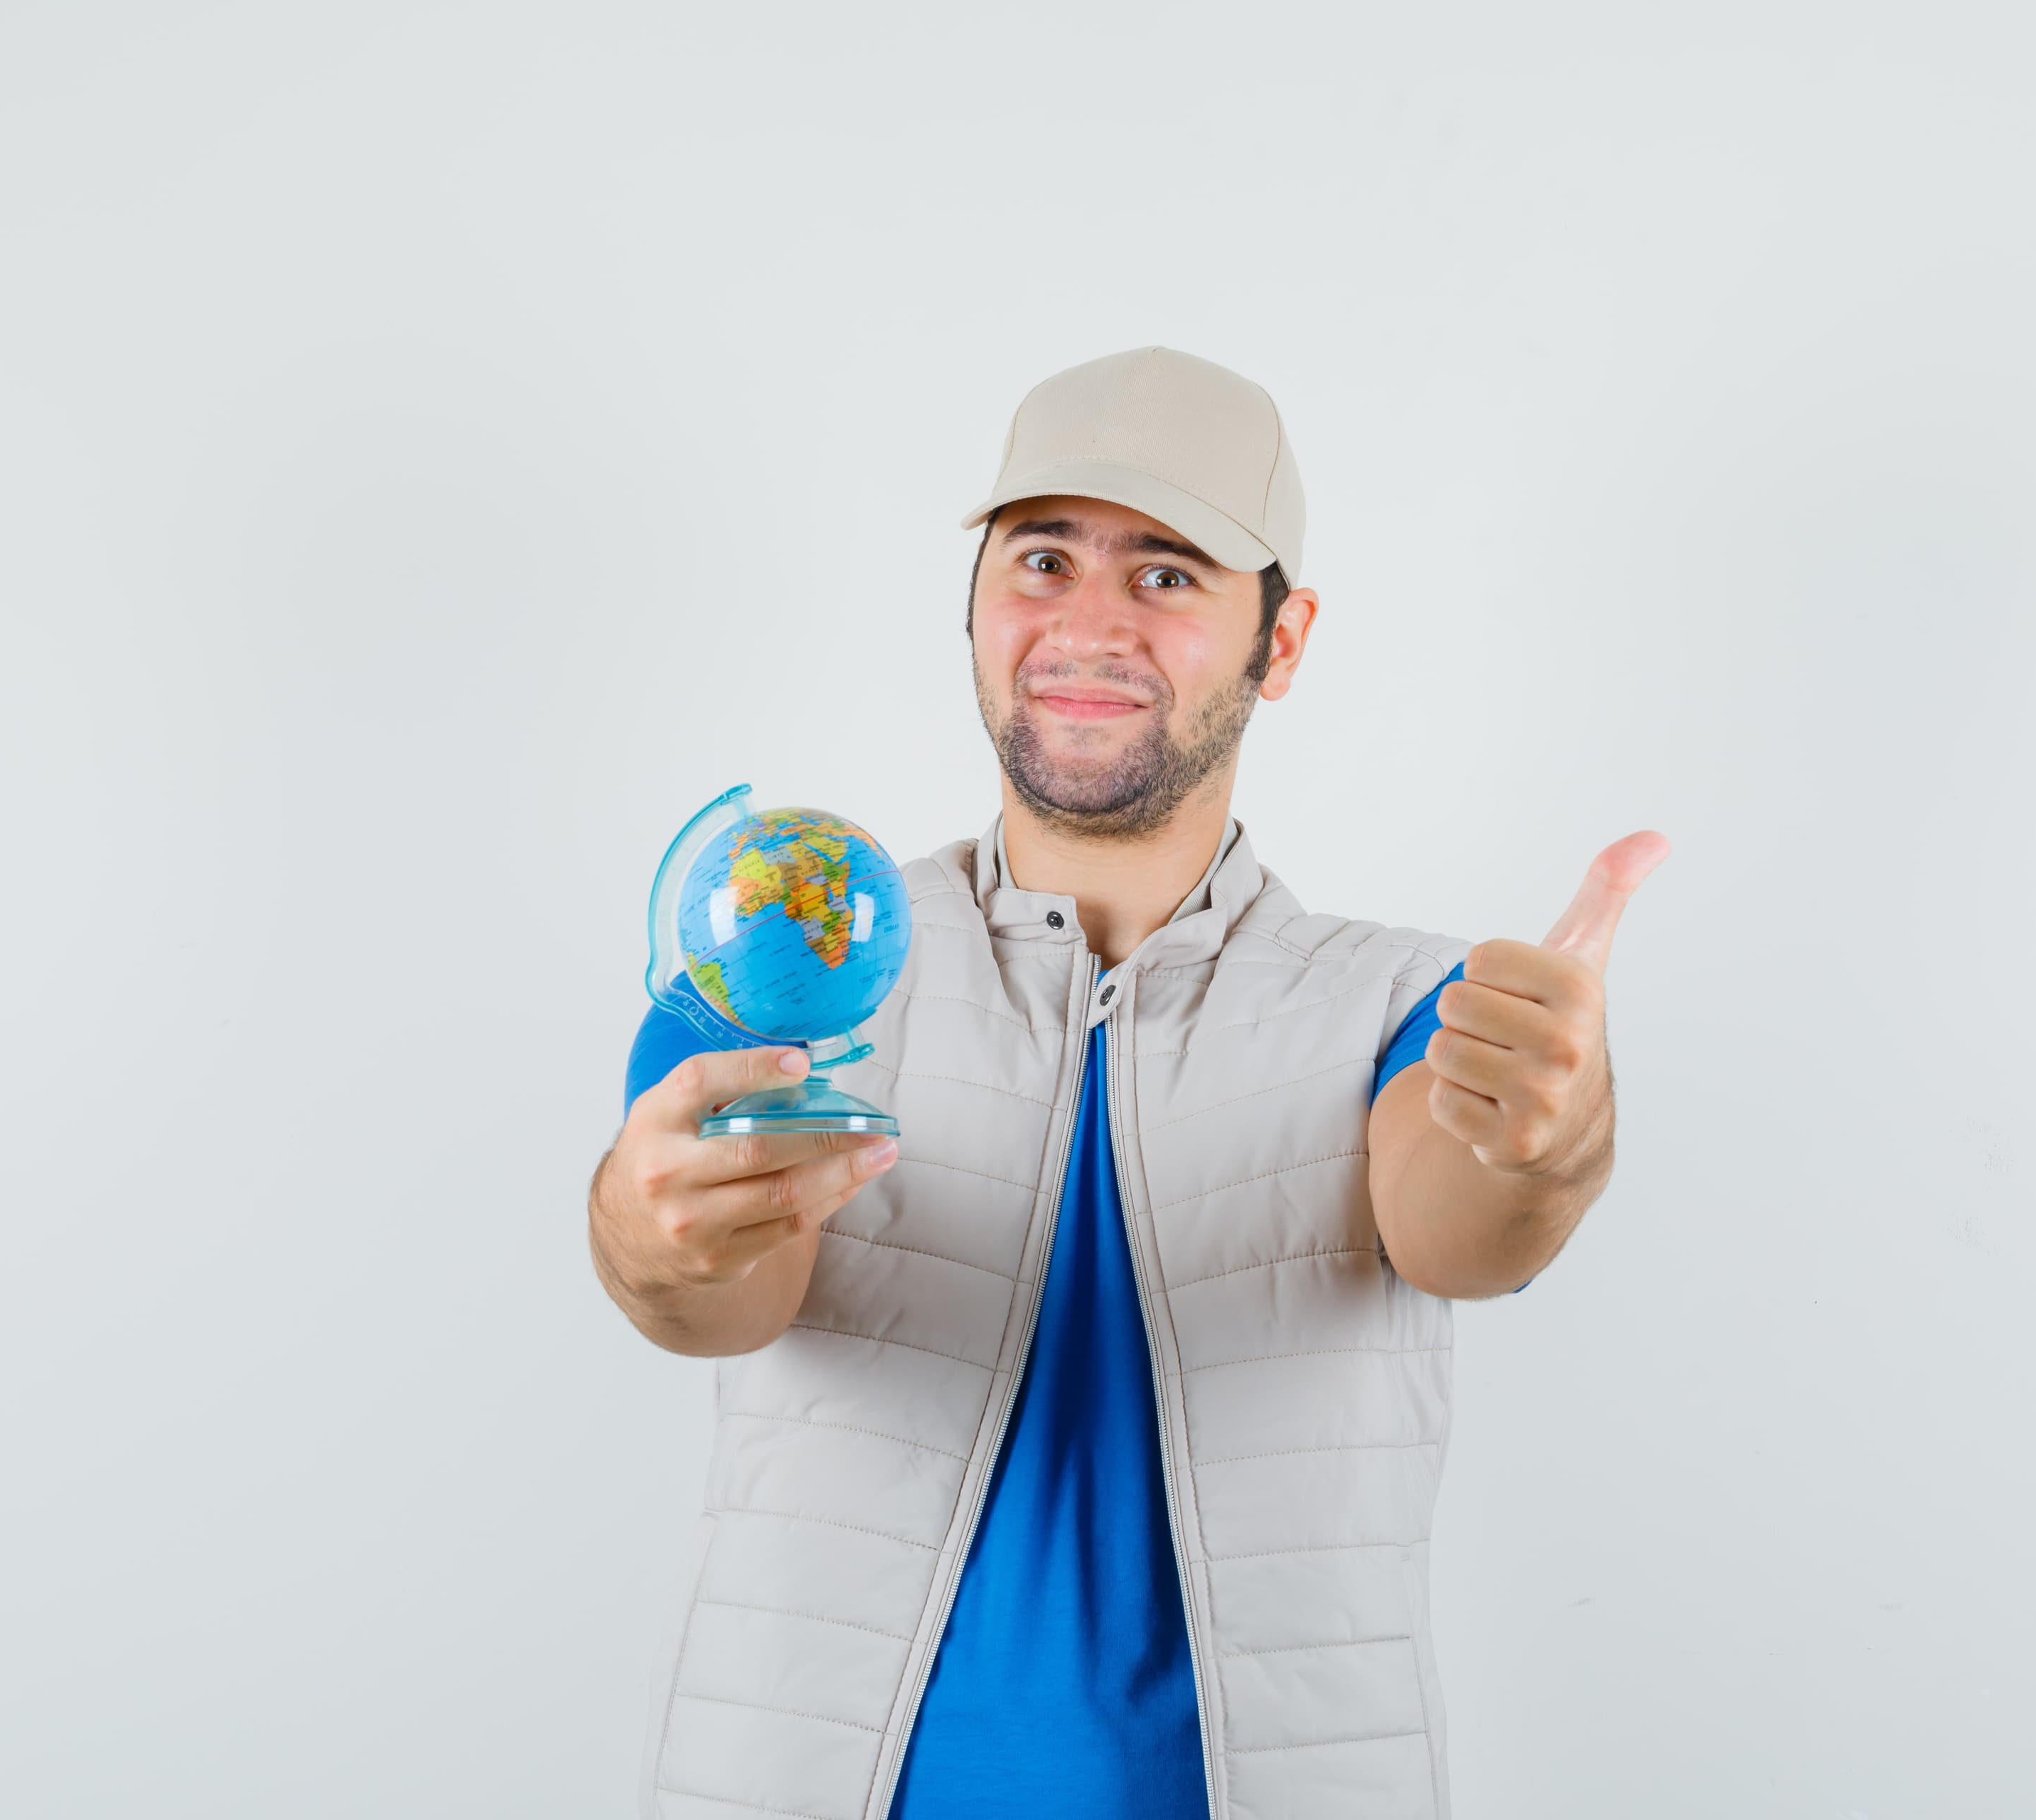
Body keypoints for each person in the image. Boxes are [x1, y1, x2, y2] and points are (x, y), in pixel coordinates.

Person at [589, 347, 1667, 1820]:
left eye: (1167, 575)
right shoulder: (790, 955)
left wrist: (1544, 1149)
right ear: (973, 605)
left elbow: (1458, 1225)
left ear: (1279, 642)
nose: (1086, 623)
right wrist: (655, 1236)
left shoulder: (1413, 1005)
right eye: (1043, 559)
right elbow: (704, 1296)